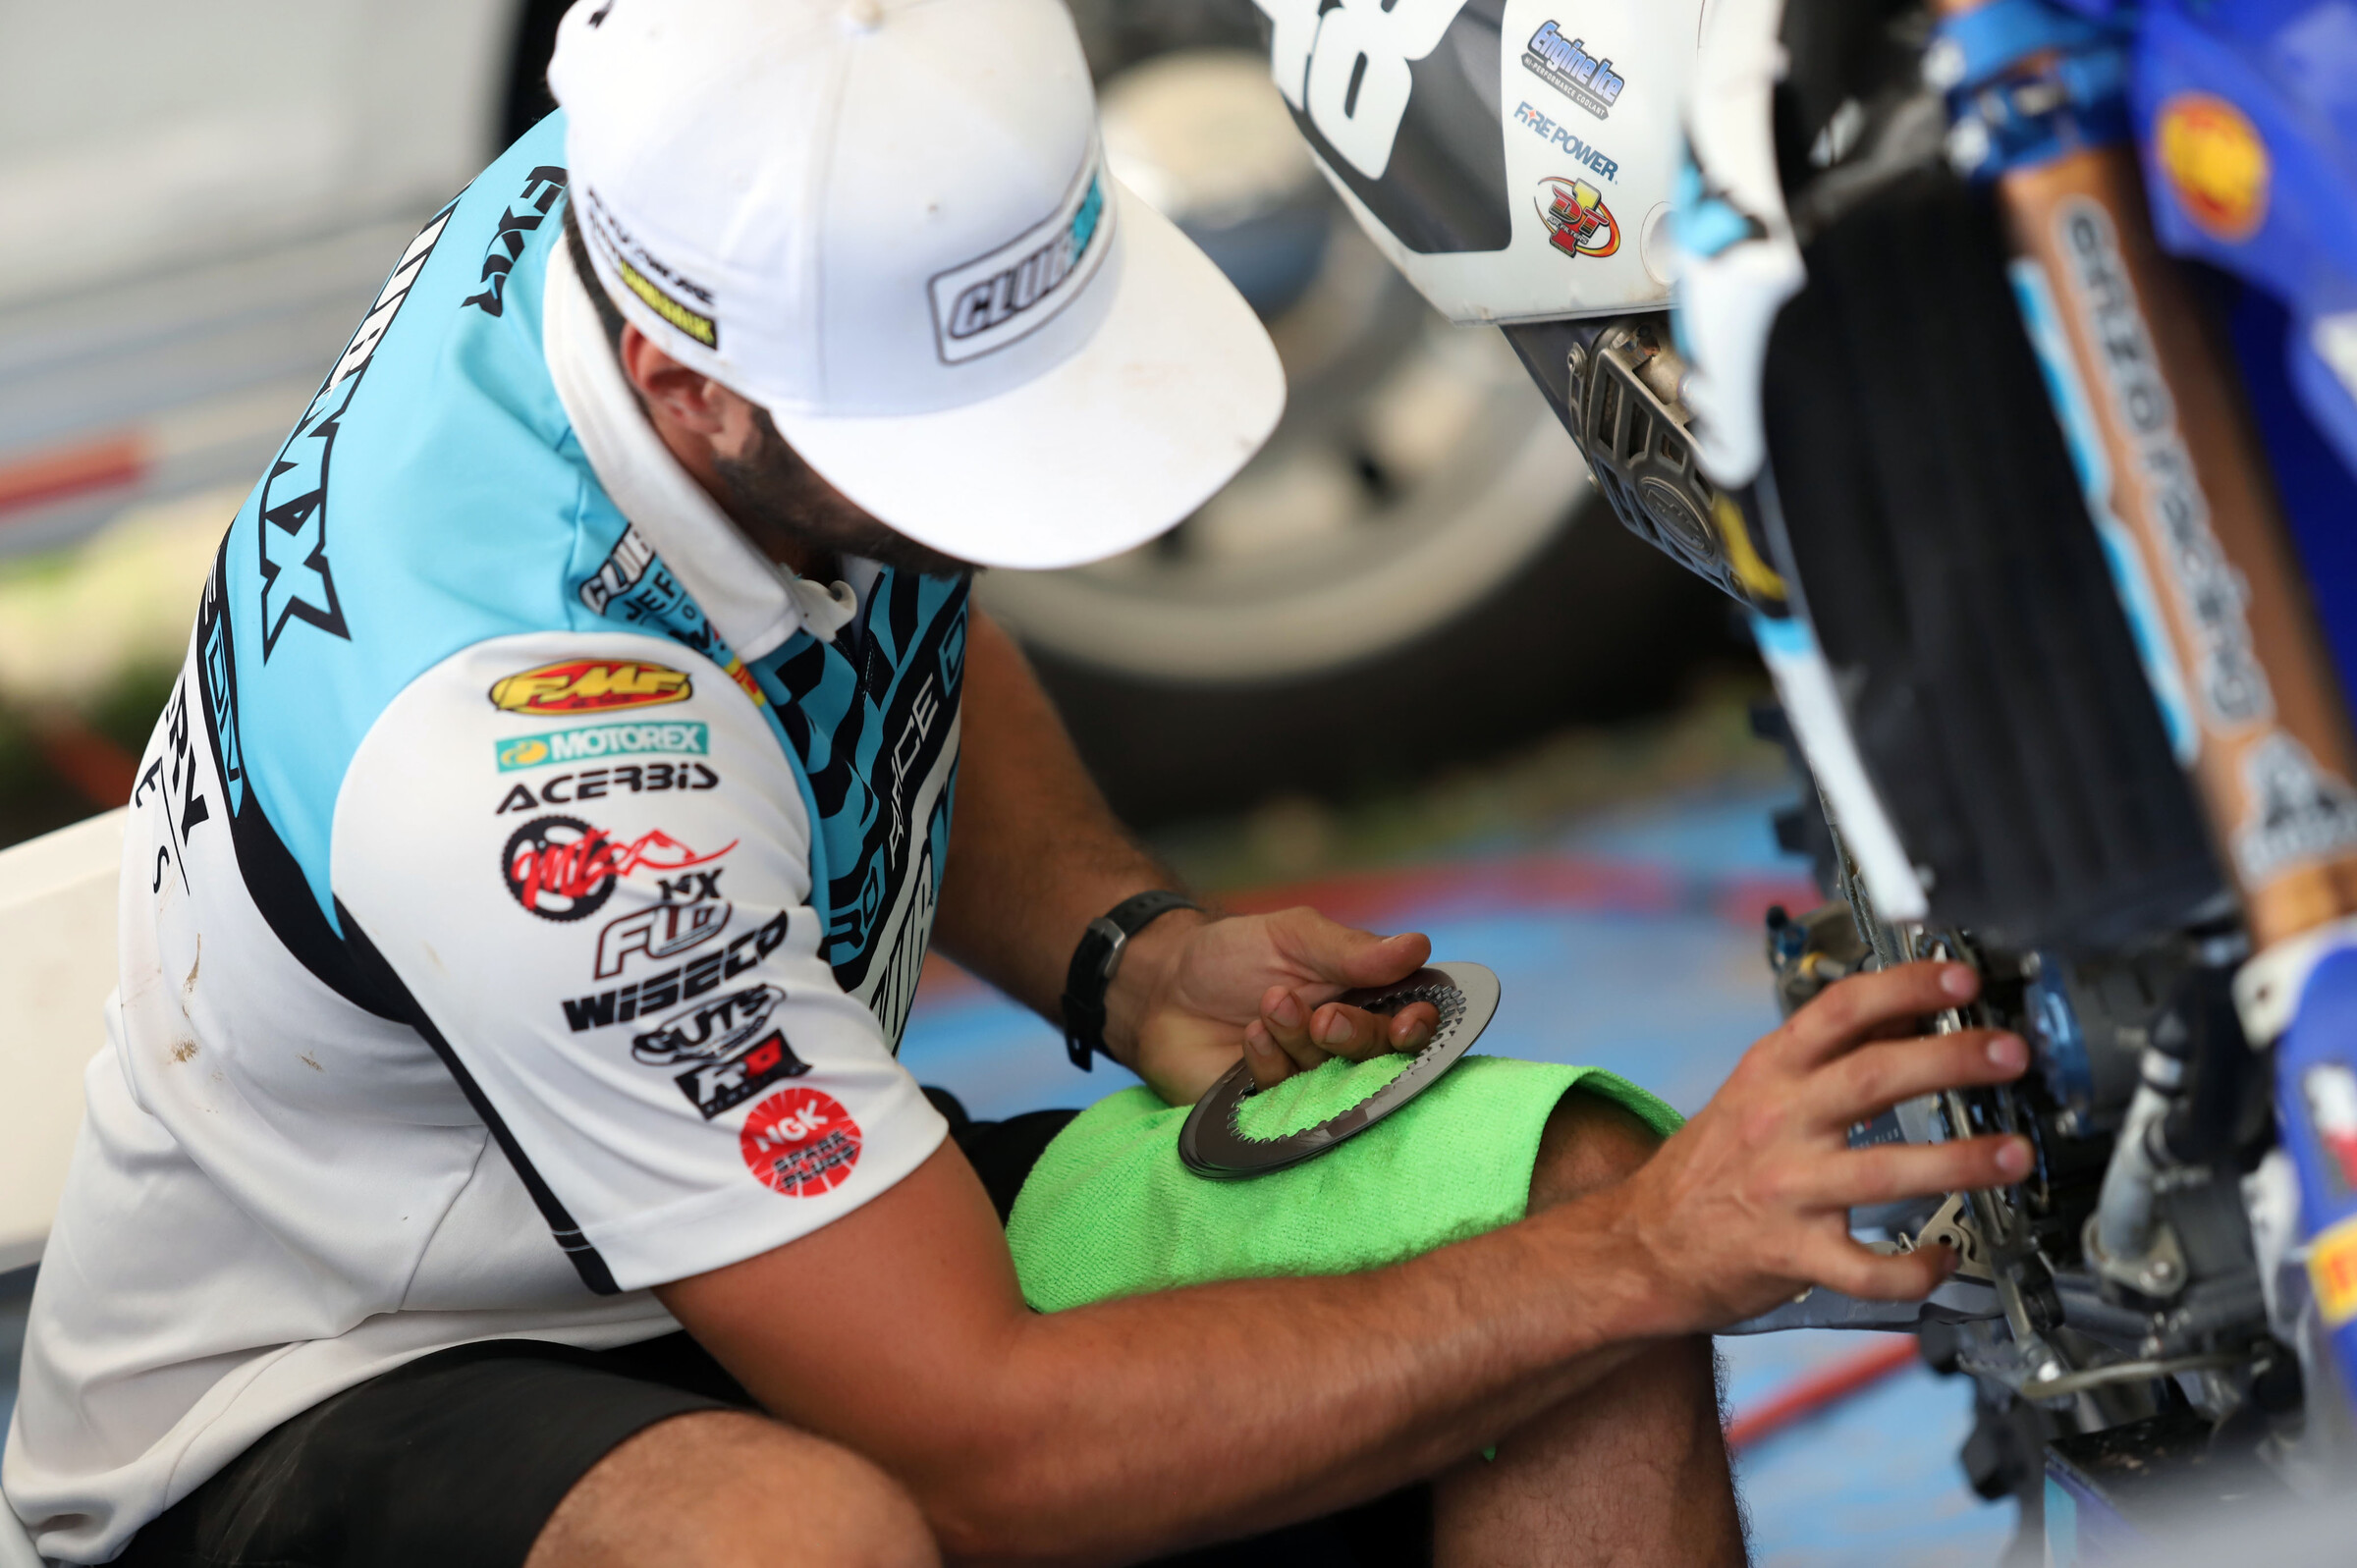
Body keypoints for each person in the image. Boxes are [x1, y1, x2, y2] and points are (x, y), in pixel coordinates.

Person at [1, 1, 2034, 1564]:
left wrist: (1129, 960)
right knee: (797, 1542)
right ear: (703, 393)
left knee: (1552, 1217)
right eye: (943, 449)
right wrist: (1656, 1254)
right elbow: (993, 1446)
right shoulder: (520, 755)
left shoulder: (696, 186)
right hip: (316, 1393)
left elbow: (886, 589)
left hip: (704, 1225)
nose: (975, 514)